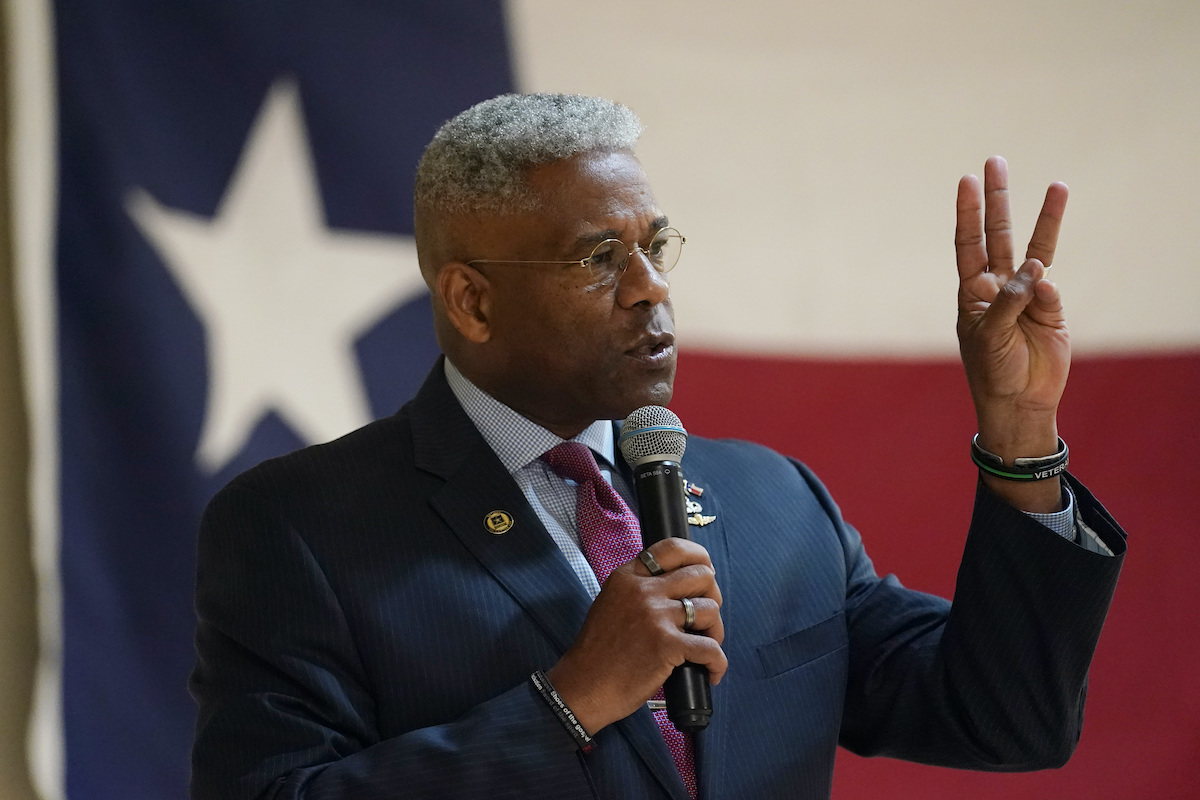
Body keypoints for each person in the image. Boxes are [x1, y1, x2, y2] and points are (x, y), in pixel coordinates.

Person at [189, 93, 1125, 800]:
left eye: (655, 245)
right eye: (598, 258)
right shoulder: (300, 527)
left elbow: (1010, 721)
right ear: (471, 300)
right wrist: (566, 706)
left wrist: (1019, 433)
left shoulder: (774, 500)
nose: (650, 290)